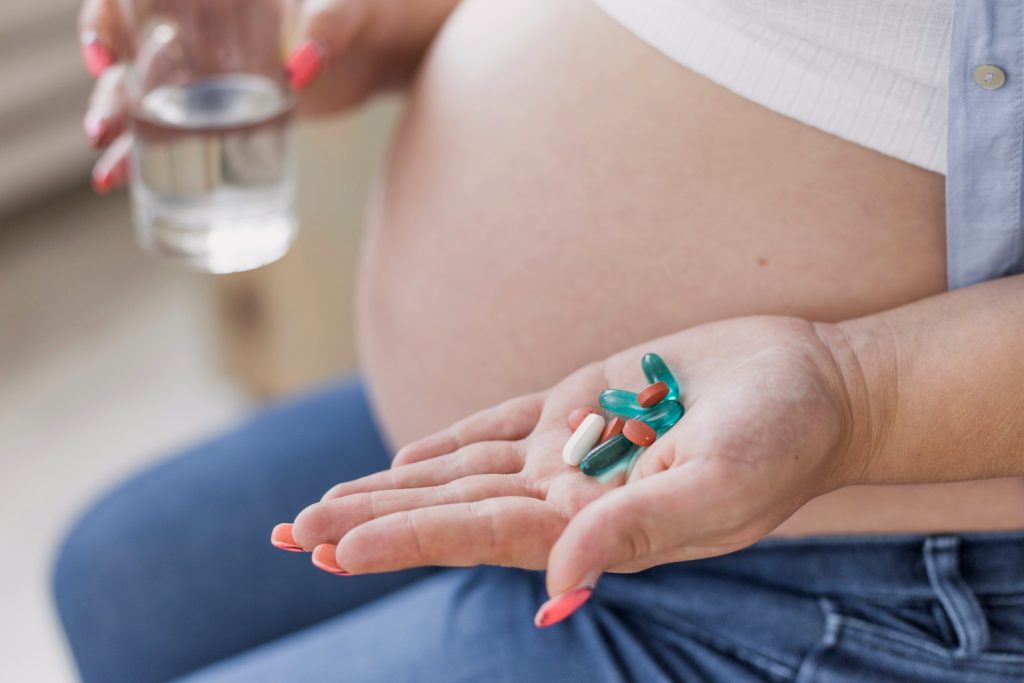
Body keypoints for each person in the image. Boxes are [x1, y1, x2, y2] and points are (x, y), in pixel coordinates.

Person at [56, 0, 1024, 681]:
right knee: (117, 583)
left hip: (865, 543)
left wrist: (854, 391)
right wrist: (402, 22)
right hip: (542, 433)